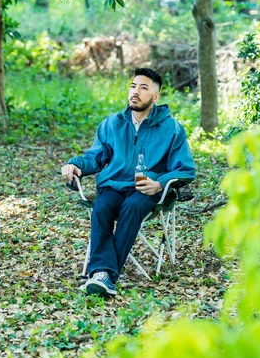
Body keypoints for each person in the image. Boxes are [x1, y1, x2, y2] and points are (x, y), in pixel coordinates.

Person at [61, 68, 195, 296]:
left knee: (132, 207)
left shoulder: (171, 129)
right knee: (102, 208)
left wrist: (160, 183)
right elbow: (95, 156)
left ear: (155, 97)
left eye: (144, 88)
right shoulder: (112, 123)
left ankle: (103, 274)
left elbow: (185, 168)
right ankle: (104, 275)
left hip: (146, 190)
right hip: (113, 185)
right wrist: (76, 165)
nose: (136, 91)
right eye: (134, 86)